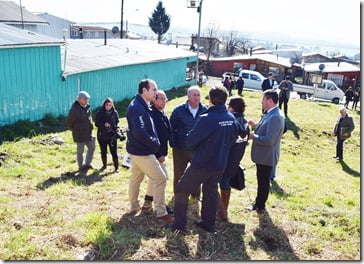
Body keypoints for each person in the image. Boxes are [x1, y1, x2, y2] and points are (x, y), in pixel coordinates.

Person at [166, 86, 240, 234]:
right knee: (210, 191)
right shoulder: (231, 119)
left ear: (211, 100)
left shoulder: (206, 118)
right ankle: (208, 223)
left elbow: (190, 141)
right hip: (220, 164)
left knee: (181, 190)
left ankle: (179, 226)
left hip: (202, 164)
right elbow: (233, 139)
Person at [126, 79, 173, 224]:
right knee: (160, 178)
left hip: (137, 149)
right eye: (153, 89)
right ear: (144, 90)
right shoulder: (137, 107)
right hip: (142, 151)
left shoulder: (142, 105)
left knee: (136, 178)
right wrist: (155, 143)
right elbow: (141, 132)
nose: (155, 92)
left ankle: (135, 206)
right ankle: (161, 212)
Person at [246, 89, 285, 212]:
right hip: (263, 155)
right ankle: (259, 203)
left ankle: (260, 205)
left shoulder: (276, 117)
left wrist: (253, 136)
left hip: (266, 156)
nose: (261, 102)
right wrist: (255, 125)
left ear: (270, 100)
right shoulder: (270, 113)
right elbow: (265, 128)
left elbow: (269, 140)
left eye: (263, 99)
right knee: (261, 180)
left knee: (263, 182)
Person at [169, 86, 207, 199]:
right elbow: (171, 127)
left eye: (198, 95)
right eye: (194, 95)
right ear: (188, 96)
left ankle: (195, 195)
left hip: (197, 149)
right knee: (179, 173)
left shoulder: (205, 110)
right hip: (180, 148)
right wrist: (173, 142)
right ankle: (178, 193)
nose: (197, 97)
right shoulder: (179, 110)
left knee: (197, 172)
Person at [217, 96, 249, 221]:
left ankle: (221, 212)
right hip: (236, 159)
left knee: (220, 184)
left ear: (231, 107)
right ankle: (224, 209)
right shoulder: (245, 123)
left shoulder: (231, 122)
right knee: (226, 184)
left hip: (225, 158)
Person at [142, 90, 173, 214]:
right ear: (154, 99)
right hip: (154, 153)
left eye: (165, 99)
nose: (164, 101)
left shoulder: (162, 112)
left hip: (162, 151)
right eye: (161, 99)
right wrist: (159, 154)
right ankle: (161, 206)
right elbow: (152, 136)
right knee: (162, 178)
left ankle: (147, 202)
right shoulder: (152, 115)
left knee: (154, 178)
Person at [66, 91, 95, 172]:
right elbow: (69, 122)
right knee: (80, 151)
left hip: (88, 132)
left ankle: (87, 164)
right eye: (85, 99)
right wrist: (75, 130)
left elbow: (90, 117)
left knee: (91, 148)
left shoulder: (88, 107)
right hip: (79, 134)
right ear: (79, 99)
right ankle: (80, 166)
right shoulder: (74, 109)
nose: (87, 101)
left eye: (87, 99)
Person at [95, 98, 121, 172]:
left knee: (114, 151)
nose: (109, 106)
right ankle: (104, 166)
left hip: (112, 135)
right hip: (102, 135)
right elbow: (96, 123)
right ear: (104, 105)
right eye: (107, 105)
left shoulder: (115, 112)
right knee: (103, 151)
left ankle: (116, 167)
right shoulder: (100, 112)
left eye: (110, 105)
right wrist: (104, 124)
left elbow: (117, 121)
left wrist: (118, 128)